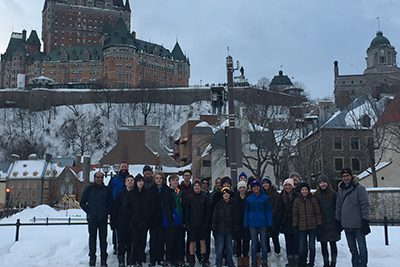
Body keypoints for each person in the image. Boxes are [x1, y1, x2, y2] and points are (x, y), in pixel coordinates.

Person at [336, 168, 370, 267]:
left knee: (362, 247)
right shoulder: (340, 190)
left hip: (358, 224)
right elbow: (338, 207)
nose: (346, 178)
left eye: (347, 176)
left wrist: (365, 220)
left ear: (351, 176)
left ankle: (363, 265)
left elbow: (364, 205)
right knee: (352, 248)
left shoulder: (359, 188)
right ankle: (355, 264)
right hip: (346, 224)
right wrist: (338, 220)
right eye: (343, 176)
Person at [80, 171, 112, 267]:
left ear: (103, 179)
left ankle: (103, 260)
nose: (99, 179)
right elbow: (82, 203)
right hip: (92, 219)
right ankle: (92, 258)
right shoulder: (89, 189)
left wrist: (107, 212)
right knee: (92, 239)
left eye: (101, 177)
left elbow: (111, 203)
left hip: (103, 219)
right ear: (94, 178)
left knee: (103, 240)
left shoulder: (106, 189)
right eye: (97, 177)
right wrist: (90, 212)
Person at [244, 179, 273, 267]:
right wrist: (246, 222)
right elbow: (246, 212)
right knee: (254, 244)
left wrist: (269, 222)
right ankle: (254, 262)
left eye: (257, 186)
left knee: (263, 243)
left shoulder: (265, 198)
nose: (256, 188)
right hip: (252, 224)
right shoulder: (249, 198)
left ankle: (264, 261)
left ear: (259, 188)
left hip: (262, 223)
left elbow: (268, 211)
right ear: (252, 188)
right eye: (254, 187)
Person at [293, 182, 322, 267]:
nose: (304, 191)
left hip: (312, 226)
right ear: (300, 191)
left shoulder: (313, 200)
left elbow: (317, 213)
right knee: (302, 247)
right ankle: (302, 262)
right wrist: (295, 225)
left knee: (312, 247)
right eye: (303, 190)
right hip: (301, 227)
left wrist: (319, 224)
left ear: (308, 191)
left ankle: (311, 262)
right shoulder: (297, 201)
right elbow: (295, 214)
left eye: (306, 189)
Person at [314, 174, 340, 267]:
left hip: (332, 223)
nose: (322, 184)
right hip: (321, 224)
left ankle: (333, 263)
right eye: (320, 182)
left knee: (333, 244)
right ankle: (326, 263)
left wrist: (337, 221)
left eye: (324, 182)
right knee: (323, 245)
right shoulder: (316, 195)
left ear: (327, 183)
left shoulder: (333, 194)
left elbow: (337, 208)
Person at [185, 180, 209, 267]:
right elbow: (186, 213)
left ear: (200, 187)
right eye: (195, 186)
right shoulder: (189, 198)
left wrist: (206, 224)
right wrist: (187, 224)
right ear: (193, 187)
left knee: (202, 242)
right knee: (192, 242)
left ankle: (203, 260)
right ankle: (191, 260)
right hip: (192, 224)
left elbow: (208, 212)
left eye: (198, 185)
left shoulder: (205, 198)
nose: (197, 187)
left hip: (202, 224)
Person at [112, 174, 135, 267]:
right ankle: (121, 260)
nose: (130, 182)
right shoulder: (120, 195)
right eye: (128, 180)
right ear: (125, 183)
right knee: (121, 242)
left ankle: (130, 260)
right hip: (121, 222)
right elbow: (115, 209)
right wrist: (113, 223)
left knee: (131, 243)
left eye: (131, 180)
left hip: (133, 222)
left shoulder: (136, 194)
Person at [108, 161, 130, 254]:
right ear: (120, 168)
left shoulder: (130, 178)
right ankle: (116, 247)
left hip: (129, 206)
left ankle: (127, 246)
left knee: (128, 229)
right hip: (116, 205)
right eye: (122, 166)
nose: (124, 168)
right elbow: (109, 191)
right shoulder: (114, 179)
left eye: (125, 166)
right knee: (116, 228)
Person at [129, 174, 150, 267]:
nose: (140, 183)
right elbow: (127, 207)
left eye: (142, 181)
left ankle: (141, 258)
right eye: (138, 181)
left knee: (142, 241)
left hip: (144, 222)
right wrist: (132, 217)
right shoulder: (131, 194)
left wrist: (146, 218)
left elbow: (150, 207)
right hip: (134, 222)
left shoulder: (147, 193)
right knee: (135, 241)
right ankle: (134, 259)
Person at [148, 172, 169, 266]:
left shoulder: (167, 189)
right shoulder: (150, 190)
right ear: (154, 179)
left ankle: (160, 257)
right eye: (157, 178)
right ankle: (153, 258)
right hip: (153, 218)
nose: (159, 180)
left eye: (160, 178)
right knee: (153, 239)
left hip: (163, 217)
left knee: (161, 239)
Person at [212, 186, 235, 267]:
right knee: (219, 249)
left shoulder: (232, 204)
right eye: (224, 193)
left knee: (229, 248)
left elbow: (235, 217)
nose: (226, 195)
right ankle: (219, 263)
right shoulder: (218, 205)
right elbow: (215, 216)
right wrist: (214, 226)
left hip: (229, 230)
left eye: (227, 193)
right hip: (220, 230)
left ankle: (230, 263)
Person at [165, 174, 185, 267]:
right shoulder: (167, 192)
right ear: (170, 182)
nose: (175, 182)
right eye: (173, 180)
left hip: (180, 220)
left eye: (176, 180)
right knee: (170, 241)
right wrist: (170, 219)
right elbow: (166, 207)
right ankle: (169, 259)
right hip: (171, 220)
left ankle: (178, 259)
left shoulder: (181, 192)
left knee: (179, 241)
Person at [279, 178, 299, 267]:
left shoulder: (297, 196)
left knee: (296, 242)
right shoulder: (281, 196)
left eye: (289, 185)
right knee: (288, 243)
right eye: (286, 185)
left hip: (296, 223)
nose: (287, 187)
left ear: (292, 186)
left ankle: (296, 260)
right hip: (286, 223)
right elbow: (280, 210)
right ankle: (290, 261)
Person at [261, 177, 281, 255]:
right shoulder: (261, 193)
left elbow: (277, 206)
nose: (265, 185)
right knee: (265, 237)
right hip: (264, 219)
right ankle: (268, 251)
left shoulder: (275, 193)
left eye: (267, 183)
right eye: (264, 183)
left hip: (273, 218)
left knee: (275, 236)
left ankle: (277, 251)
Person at [234, 180, 250, 267]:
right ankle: (239, 260)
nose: (242, 189)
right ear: (238, 189)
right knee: (238, 243)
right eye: (240, 187)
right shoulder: (235, 199)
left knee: (246, 242)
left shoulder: (249, 198)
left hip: (247, 223)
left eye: (244, 187)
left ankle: (246, 259)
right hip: (238, 224)